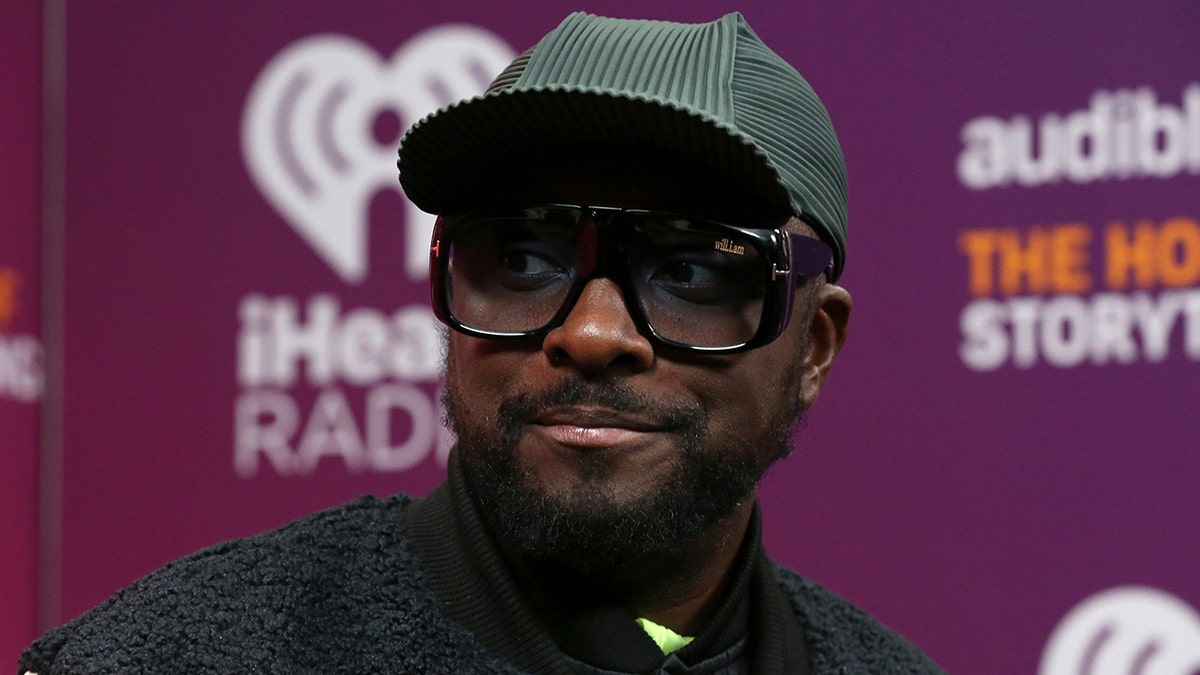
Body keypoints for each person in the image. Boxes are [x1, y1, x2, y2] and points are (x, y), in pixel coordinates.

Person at [20, 12, 945, 674]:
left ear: (814, 346)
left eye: (693, 271)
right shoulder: (180, 654)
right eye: (525, 255)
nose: (589, 333)